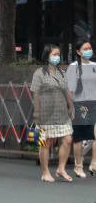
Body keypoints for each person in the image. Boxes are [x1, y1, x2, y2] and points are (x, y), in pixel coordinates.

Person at [31, 44, 74, 182]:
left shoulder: (62, 72)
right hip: (45, 113)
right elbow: (36, 94)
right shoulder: (39, 73)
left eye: (58, 54)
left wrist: (71, 106)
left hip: (61, 112)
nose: (57, 57)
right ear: (47, 55)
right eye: (54, 54)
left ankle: (61, 169)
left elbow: (67, 91)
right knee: (45, 142)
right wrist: (37, 112)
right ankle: (45, 172)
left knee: (68, 139)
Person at [66, 40, 96, 178]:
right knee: (79, 138)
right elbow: (69, 90)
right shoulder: (74, 67)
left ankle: (94, 164)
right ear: (78, 52)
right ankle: (78, 166)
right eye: (85, 48)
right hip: (80, 105)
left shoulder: (94, 66)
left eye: (90, 48)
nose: (89, 50)